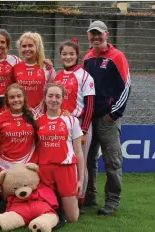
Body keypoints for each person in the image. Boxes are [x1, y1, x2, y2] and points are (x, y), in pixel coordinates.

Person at [83, 20, 131, 216]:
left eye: (99, 34)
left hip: (107, 118)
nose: (96, 37)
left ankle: (112, 201)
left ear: (107, 35)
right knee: (88, 159)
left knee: (112, 161)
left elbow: (126, 87)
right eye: (92, 34)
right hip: (89, 118)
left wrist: (113, 115)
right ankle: (89, 195)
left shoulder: (116, 57)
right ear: (88, 36)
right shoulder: (86, 58)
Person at [53, 38, 95, 210]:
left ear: (77, 55)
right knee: (63, 161)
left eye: (71, 54)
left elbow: (90, 104)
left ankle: (80, 198)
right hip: (61, 124)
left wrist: (84, 128)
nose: (68, 57)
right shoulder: (58, 75)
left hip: (79, 124)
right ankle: (62, 197)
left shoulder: (84, 76)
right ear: (60, 56)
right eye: (64, 54)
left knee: (80, 162)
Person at [36, 83, 85, 222]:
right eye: (50, 96)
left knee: (73, 218)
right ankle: (55, 208)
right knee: (43, 214)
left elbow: (78, 152)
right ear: (45, 98)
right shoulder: (37, 121)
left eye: (58, 96)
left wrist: (80, 180)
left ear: (63, 99)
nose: (53, 99)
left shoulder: (72, 120)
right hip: (44, 170)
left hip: (66, 170)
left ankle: (61, 208)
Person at [0, 83, 39, 170]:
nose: (16, 100)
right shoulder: (0, 117)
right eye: (12, 97)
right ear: (7, 100)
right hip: (5, 165)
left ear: (24, 98)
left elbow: (40, 137)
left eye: (19, 96)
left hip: (28, 163)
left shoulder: (33, 114)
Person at [13, 32, 56, 114]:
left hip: (41, 113)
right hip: (21, 112)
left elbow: (54, 92)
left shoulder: (47, 67)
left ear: (37, 47)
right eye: (24, 46)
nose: (27, 49)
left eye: (30, 45)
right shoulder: (15, 68)